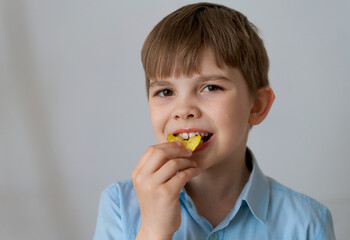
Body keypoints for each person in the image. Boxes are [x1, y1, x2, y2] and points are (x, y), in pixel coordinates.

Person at [93, 2, 335, 239]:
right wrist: (154, 231)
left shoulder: (308, 224)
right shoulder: (119, 207)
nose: (183, 110)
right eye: (166, 92)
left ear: (257, 106)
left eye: (210, 87)